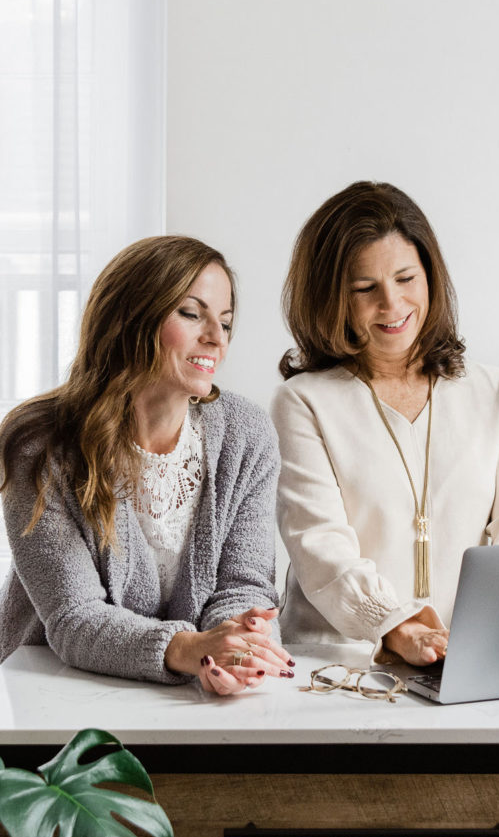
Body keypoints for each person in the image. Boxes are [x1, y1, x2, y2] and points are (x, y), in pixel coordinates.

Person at [271, 181, 499, 667]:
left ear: (430, 275)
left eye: (406, 278)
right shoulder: (303, 401)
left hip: (460, 658)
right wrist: (395, 625)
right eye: (365, 289)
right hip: (337, 665)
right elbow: (319, 545)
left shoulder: (497, 392)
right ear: (330, 299)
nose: (392, 304)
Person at [0, 236, 294, 696]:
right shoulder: (39, 444)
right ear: (130, 317)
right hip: (49, 695)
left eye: (226, 322)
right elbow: (74, 618)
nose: (216, 338)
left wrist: (241, 644)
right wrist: (187, 648)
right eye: (192, 314)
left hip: (178, 699)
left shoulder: (246, 434)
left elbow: (244, 585)